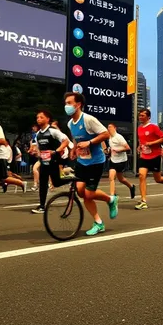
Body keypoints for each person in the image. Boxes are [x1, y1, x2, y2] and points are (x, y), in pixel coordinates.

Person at [65, 92, 119, 236]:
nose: (67, 106)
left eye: (69, 103)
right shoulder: (70, 123)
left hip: (96, 161)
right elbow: (76, 139)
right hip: (82, 161)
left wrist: (89, 142)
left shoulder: (88, 119)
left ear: (78, 105)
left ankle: (110, 200)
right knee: (81, 191)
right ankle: (99, 222)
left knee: (89, 193)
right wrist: (74, 149)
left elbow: (106, 134)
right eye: (66, 103)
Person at [31, 110, 73, 214]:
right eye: (37, 117)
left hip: (54, 160)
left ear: (47, 119)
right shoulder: (38, 135)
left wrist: (56, 151)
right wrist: (37, 153)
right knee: (43, 183)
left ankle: (71, 179)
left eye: (41, 117)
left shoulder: (53, 131)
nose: (38, 119)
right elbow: (38, 147)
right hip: (44, 162)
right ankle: (42, 206)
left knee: (56, 182)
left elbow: (66, 141)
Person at [135, 109, 163, 209]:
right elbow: (142, 141)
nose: (140, 117)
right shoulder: (139, 128)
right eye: (139, 115)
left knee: (158, 179)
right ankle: (143, 201)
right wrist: (139, 146)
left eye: (142, 115)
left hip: (154, 155)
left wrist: (151, 143)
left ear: (148, 117)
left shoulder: (153, 127)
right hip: (144, 156)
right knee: (141, 175)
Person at [106, 123, 135, 199]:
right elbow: (111, 148)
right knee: (111, 177)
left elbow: (127, 148)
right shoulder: (110, 138)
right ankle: (112, 195)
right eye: (108, 127)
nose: (109, 129)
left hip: (121, 161)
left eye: (110, 127)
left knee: (121, 179)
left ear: (115, 128)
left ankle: (131, 186)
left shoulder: (119, 137)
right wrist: (109, 151)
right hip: (113, 160)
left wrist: (119, 150)